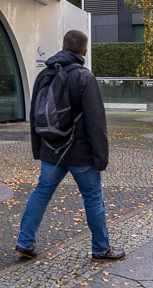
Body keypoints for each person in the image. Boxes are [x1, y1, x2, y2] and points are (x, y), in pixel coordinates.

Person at [15, 30, 125, 262]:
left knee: (41, 193)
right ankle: (101, 249)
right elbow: (96, 122)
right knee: (93, 198)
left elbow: (35, 115)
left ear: (63, 47)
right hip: (81, 154)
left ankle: (25, 242)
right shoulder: (85, 77)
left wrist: (38, 149)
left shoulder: (44, 74)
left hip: (51, 149)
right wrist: (101, 157)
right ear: (84, 52)